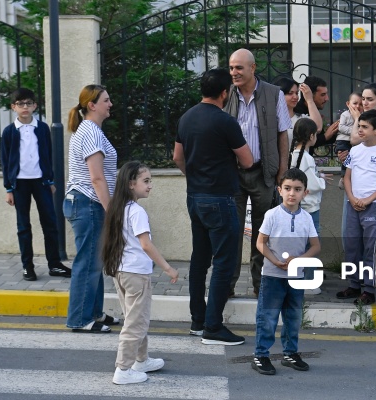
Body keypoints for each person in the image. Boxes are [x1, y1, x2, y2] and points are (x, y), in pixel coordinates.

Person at [173, 68, 253, 345]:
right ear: (224, 93)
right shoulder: (225, 121)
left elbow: (177, 157)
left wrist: (195, 175)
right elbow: (247, 160)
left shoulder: (186, 118)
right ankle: (213, 327)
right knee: (223, 262)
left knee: (199, 260)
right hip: (220, 198)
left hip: (195, 196)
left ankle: (198, 321)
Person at [101, 161, 179, 385]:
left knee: (135, 318)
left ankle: (141, 360)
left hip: (122, 271)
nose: (150, 185)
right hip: (136, 274)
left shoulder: (119, 208)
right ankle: (123, 370)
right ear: (131, 184)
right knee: (136, 323)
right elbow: (146, 245)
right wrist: (167, 268)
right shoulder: (136, 211)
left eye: (150, 181)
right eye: (146, 181)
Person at [224, 48, 292, 298]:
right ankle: (227, 286)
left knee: (262, 234)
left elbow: (283, 133)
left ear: (253, 68)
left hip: (264, 173)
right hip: (233, 174)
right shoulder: (226, 93)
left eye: (239, 68)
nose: (234, 72)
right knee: (232, 232)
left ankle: (259, 285)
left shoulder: (274, 94)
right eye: (231, 68)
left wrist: (282, 172)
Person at [252, 168, 320, 375]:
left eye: (297, 189)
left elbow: (315, 246)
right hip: (272, 276)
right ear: (279, 190)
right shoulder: (272, 215)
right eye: (288, 188)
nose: (292, 193)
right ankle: (261, 355)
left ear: (305, 193)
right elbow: (260, 243)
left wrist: (298, 260)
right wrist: (274, 261)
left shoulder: (306, 218)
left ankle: (290, 353)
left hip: (296, 278)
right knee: (268, 317)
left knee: (293, 318)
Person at [63, 84, 120, 333]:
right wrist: (111, 210)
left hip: (85, 203)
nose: (110, 104)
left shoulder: (90, 130)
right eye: (106, 100)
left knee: (94, 261)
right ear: (92, 105)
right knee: (87, 263)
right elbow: (96, 178)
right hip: (88, 203)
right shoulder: (91, 132)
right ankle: (80, 319)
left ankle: (94, 312)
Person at [0, 88, 71, 281]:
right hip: (19, 184)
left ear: (35, 106)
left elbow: (48, 155)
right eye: (20, 104)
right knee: (23, 226)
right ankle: (28, 267)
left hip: (41, 182)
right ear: (13, 107)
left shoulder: (42, 128)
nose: (25, 107)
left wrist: (50, 180)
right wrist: (8, 188)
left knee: (50, 223)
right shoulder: (9, 132)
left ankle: (54, 264)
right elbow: (5, 162)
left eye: (29, 103)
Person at [336, 110, 376, 305]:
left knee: (372, 247)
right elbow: (347, 177)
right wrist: (352, 198)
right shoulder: (355, 151)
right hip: (353, 204)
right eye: (359, 126)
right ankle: (354, 285)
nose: (359, 130)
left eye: (364, 127)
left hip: (373, 206)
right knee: (352, 246)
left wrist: (369, 199)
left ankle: (369, 289)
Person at [289, 118, 328, 295]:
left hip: (296, 207)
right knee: (311, 244)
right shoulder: (307, 158)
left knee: (296, 244)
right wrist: (321, 180)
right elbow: (312, 185)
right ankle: (308, 282)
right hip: (309, 208)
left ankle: (295, 279)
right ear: (311, 136)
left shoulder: (291, 155)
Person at [293, 75, 339, 149]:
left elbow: (321, 137)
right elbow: (306, 141)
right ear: (310, 95)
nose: (327, 98)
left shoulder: (313, 110)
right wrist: (325, 136)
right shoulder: (297, 113)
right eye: (322, 95)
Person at [275, 77, 322, 147]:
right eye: (290, 93)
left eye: (296, 93)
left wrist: (309, 100)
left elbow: (317, 128)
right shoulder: (272, 119)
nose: (295, 97)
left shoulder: (301, 119)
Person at [335, 92, 363, 189]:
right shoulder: (345, 114)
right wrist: (354, 131)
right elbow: (341, 127)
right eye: (355, 103)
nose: (357, 106)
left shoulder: (362, 117)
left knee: (353, 158)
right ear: (348, 104)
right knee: (345, 158)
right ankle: (343, 177)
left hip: (354, 142)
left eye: (360, 104)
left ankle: (350, 177)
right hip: (343, 140)